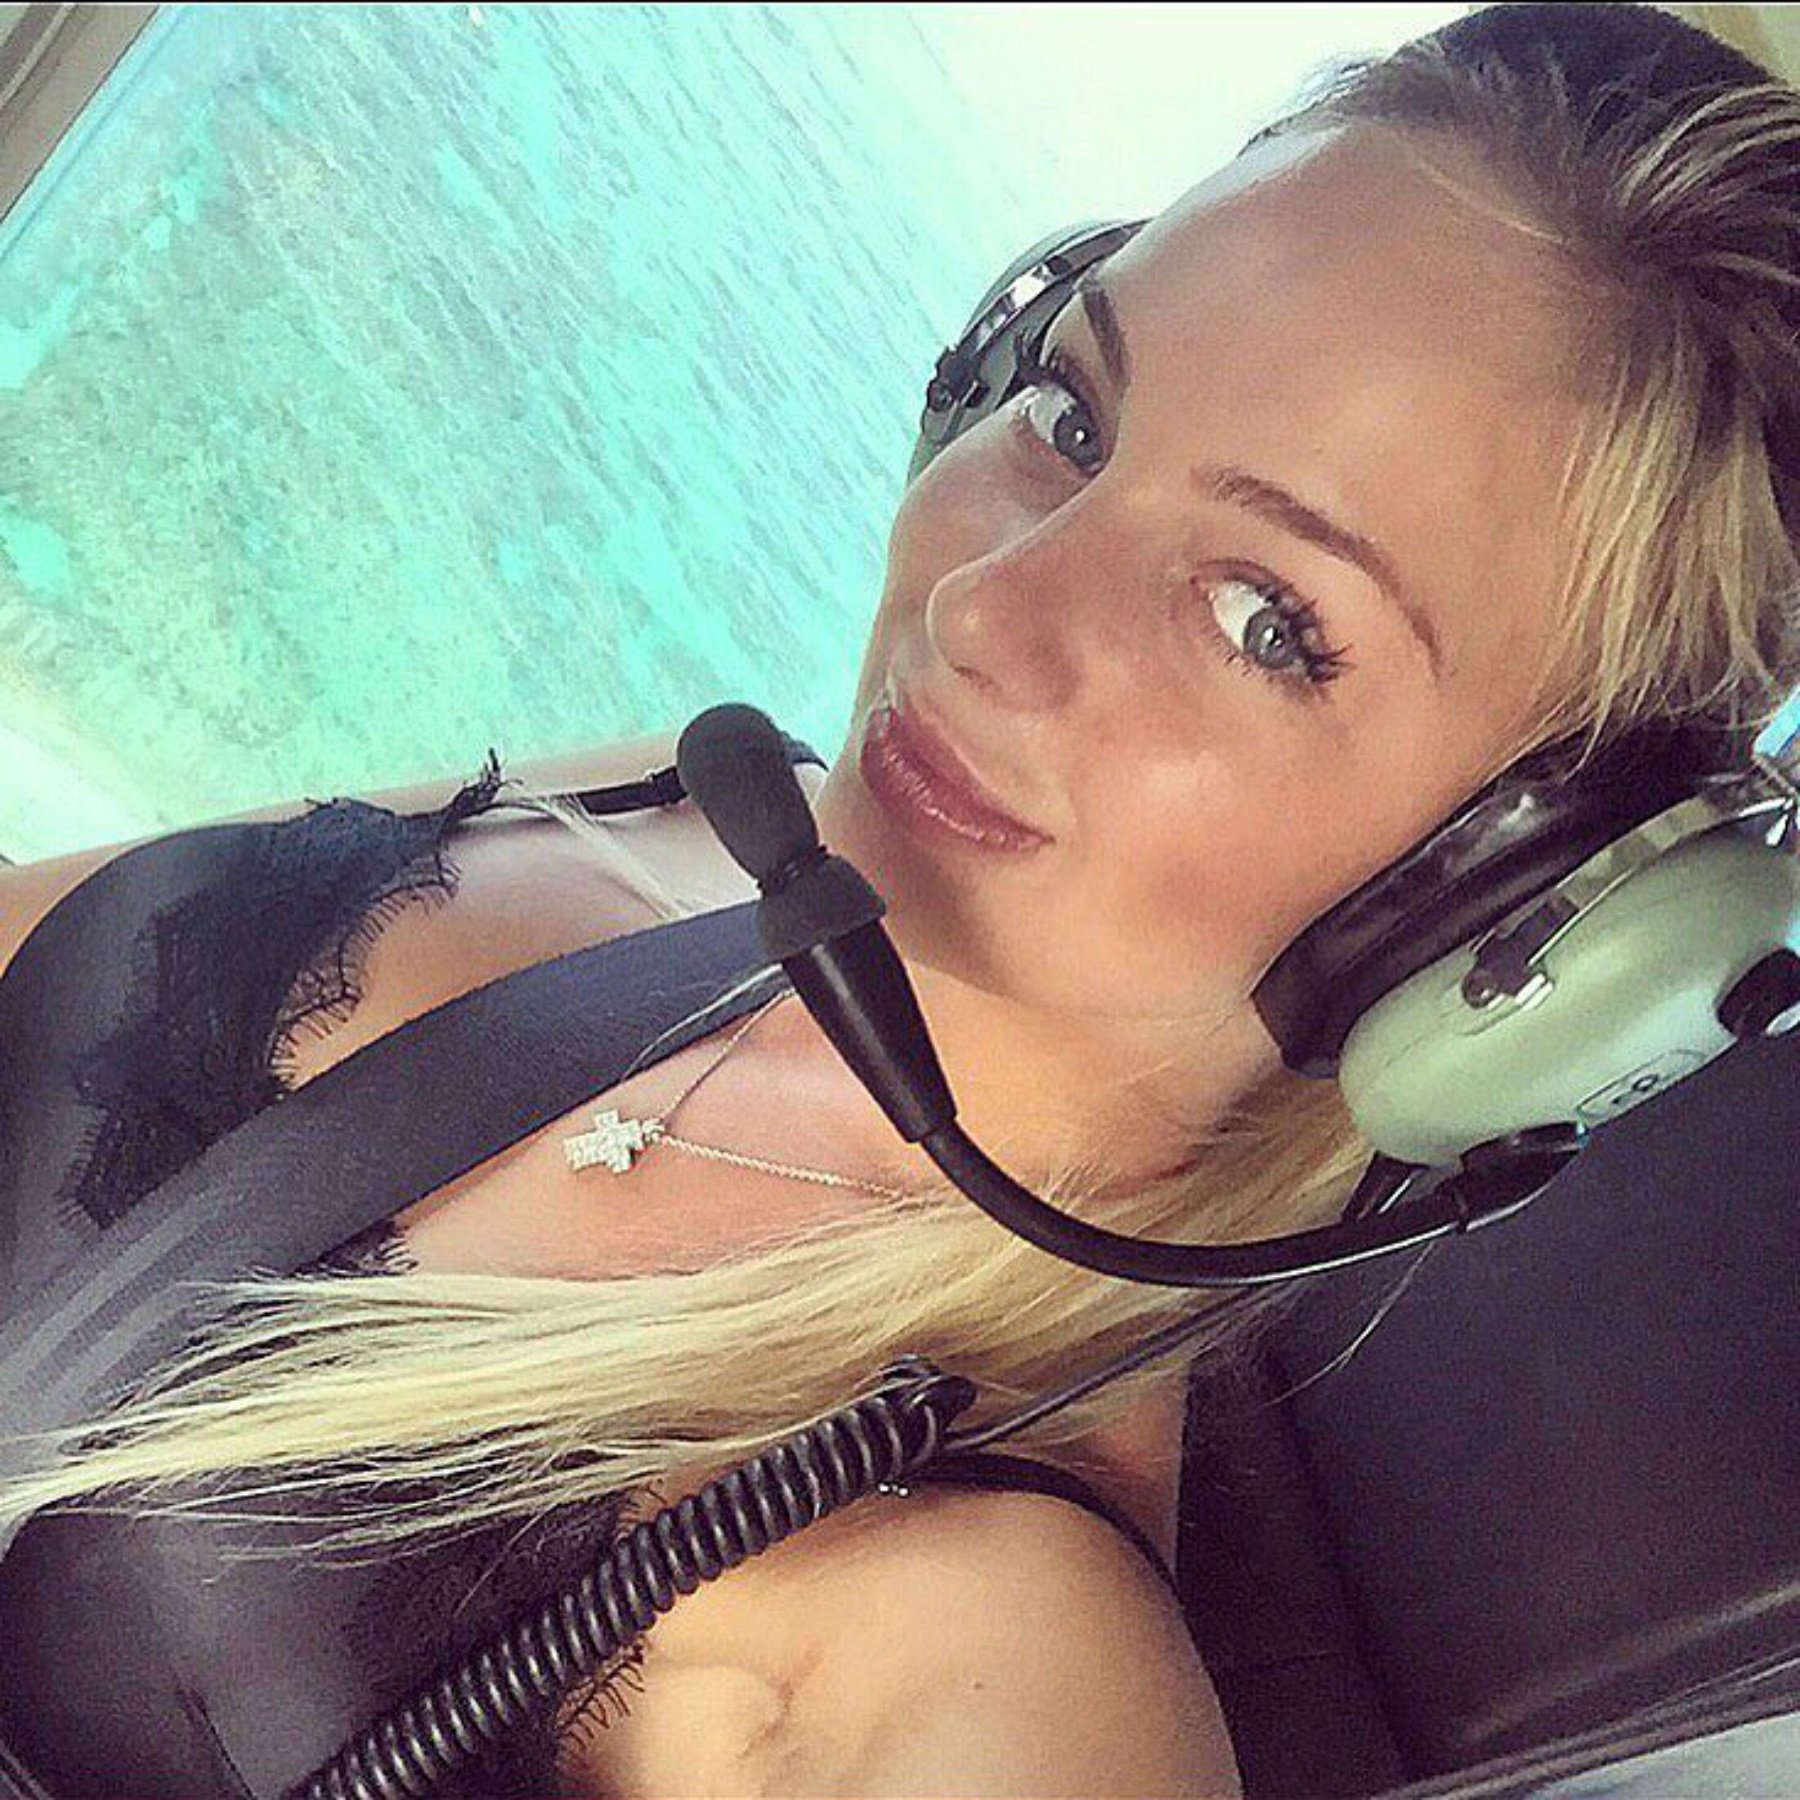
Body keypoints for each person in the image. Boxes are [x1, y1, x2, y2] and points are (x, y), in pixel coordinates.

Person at [0, 3, 1796, 1794]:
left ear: (1512, 895)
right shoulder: (693, 803)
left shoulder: (989, 1677)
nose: (980, 605)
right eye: (1072, 415)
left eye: (1266, 622)